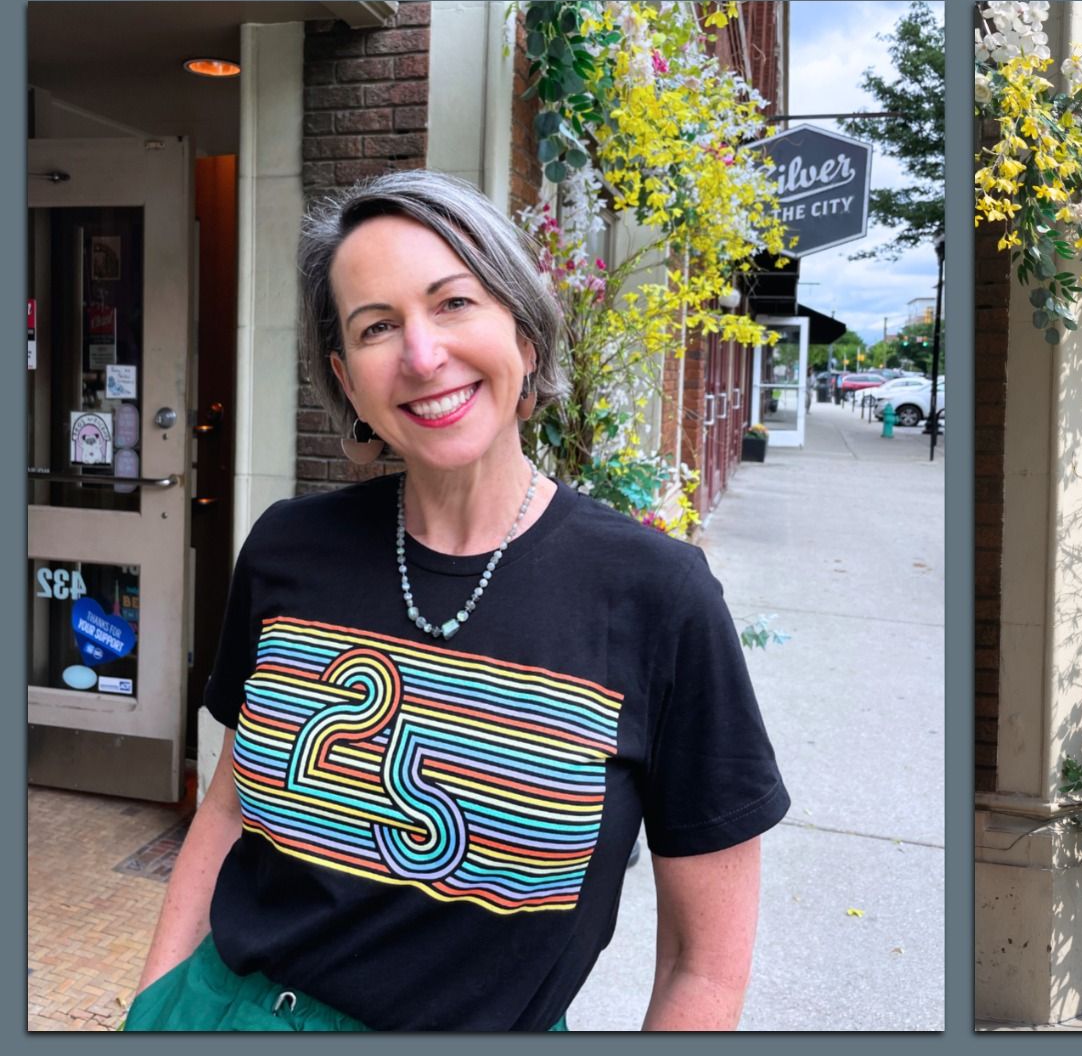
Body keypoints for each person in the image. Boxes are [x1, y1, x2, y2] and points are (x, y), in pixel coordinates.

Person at [125, 170, 789, 1032]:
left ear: (525, 332)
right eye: (376, 326)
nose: (422, 354)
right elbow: (228, 807)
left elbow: (703, 965)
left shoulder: (658, 597)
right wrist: (153, 1002)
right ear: (348, 381)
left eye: (454, 303)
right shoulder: (288, 548)